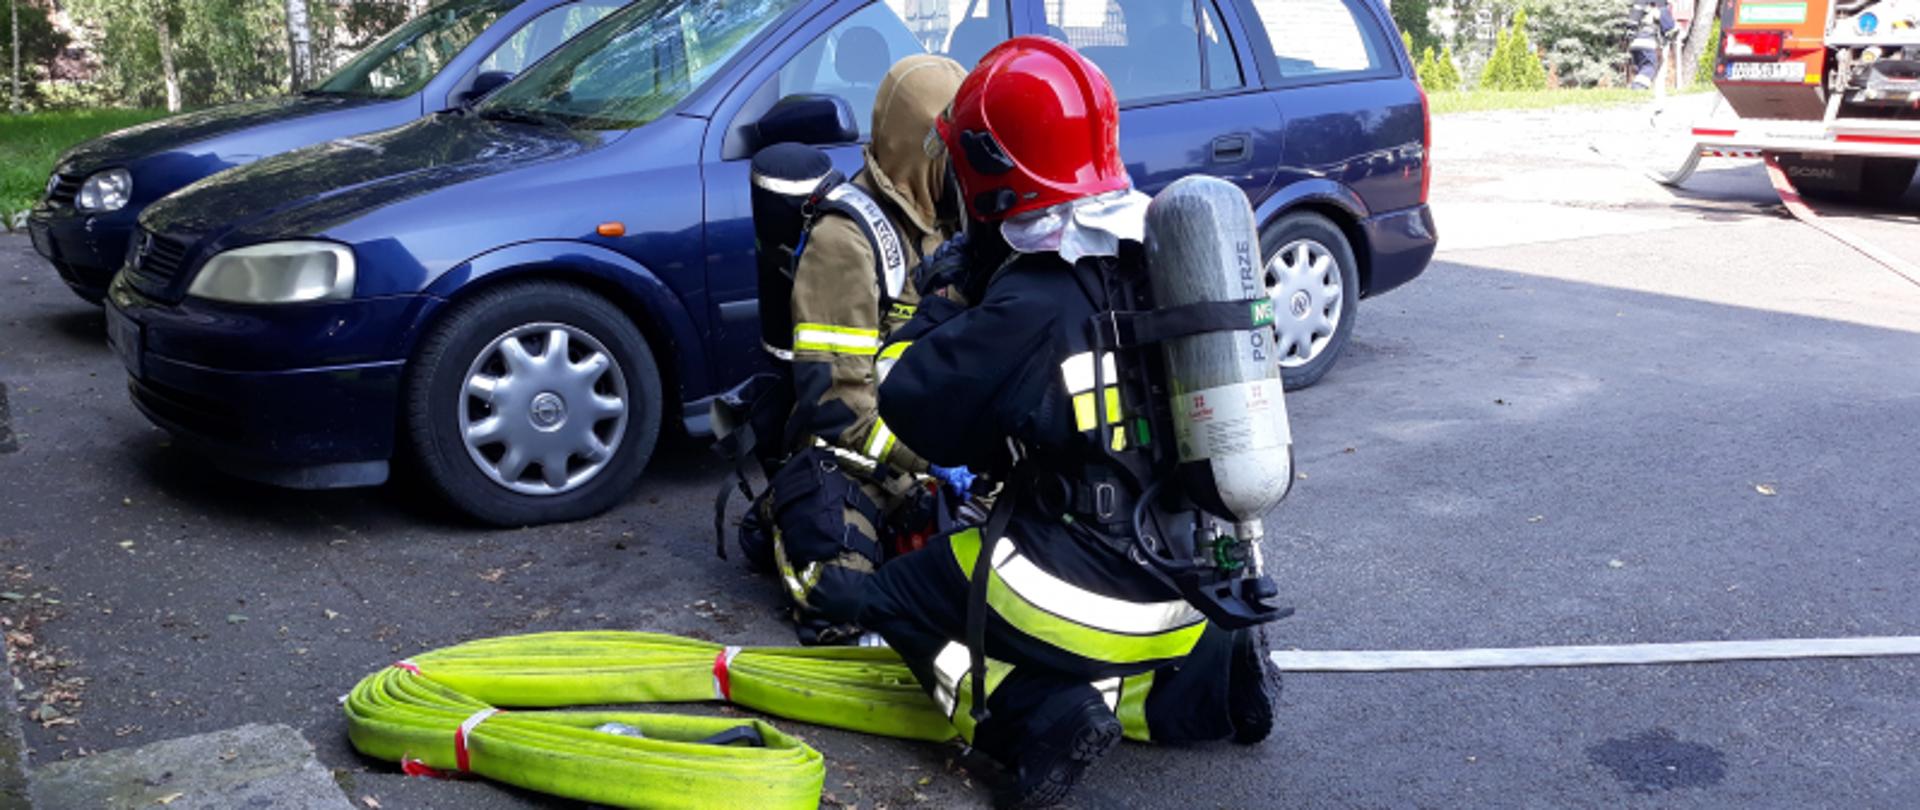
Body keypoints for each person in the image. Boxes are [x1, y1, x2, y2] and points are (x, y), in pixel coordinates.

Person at [856, 37, 1281, 809]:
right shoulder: (1159, 256)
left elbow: (910, 400)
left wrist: (941, 305)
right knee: (1097, 600)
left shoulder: (1032, 303)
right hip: (1198, 583)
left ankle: (1033, 720)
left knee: (896, 599)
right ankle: (1209, 688)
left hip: (1085, 592)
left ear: (989, 176)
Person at [768, 53, 970, 646]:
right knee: (839, 595)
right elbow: (837, 406)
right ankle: (786, 521)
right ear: (924, 149)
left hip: (933, 449)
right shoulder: (845, 243)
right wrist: (930, 463)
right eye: (958, 151)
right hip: (856, 456)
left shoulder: (947, 225)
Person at [1627, 0, 1678, 90]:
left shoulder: (1639, 5)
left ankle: (1639, 91)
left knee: (1641, 70)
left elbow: (1631, 25)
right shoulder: (1661, 8)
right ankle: (1637, 88)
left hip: (1634, 44)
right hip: (1648, 43)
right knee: (1649, 68)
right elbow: (1670, 29)